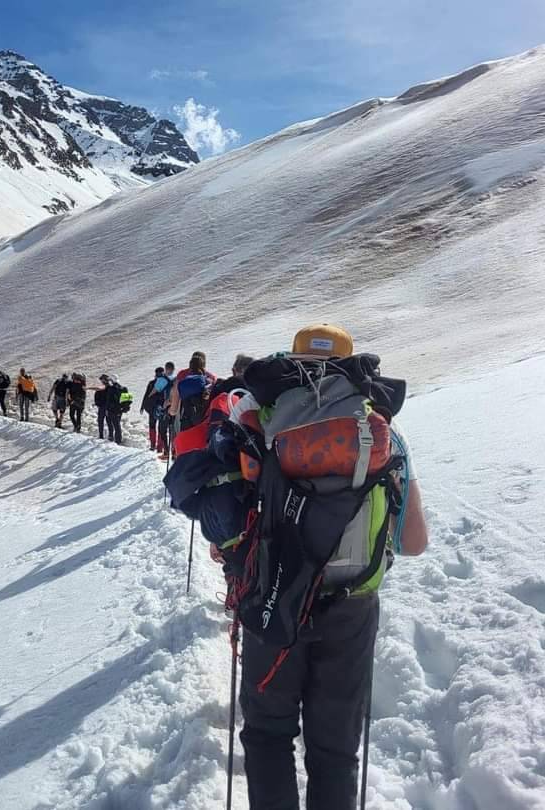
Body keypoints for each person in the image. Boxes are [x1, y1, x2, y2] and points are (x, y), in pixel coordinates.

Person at [233, 325, 429, 810]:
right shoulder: (385, 432)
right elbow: (414, 543)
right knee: (335, 751)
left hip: (274, 600)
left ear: (293, 361)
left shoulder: (258, 419)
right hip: (352, 606)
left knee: (267, 734)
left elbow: (231, 521)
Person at [141, 368, 165, 451]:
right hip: (161, 408)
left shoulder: (152, 383)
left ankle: (153, 445)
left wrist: (143, 406)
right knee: (160, 427)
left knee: (152, 426)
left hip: (152, 408)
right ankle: (159, 447)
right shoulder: (165, 383)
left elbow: (146, 395)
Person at [157, 361, 176, 459]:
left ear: (166, 369)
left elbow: (156, 393)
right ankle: (174, 452)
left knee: (162, 430)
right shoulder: (176, 380)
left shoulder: (162, 380)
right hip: (174, 408)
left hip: (165, 409)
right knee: (173, 431)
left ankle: (166, 452)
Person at [102, 374, 126, 444]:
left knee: (112, 424)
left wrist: (107, 409)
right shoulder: (123, 388)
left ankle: (114, 439)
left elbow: (108, 401)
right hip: (120, 410)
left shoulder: (111, 389)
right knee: (117, 425)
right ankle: (118, 439)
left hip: (112, 410)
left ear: (112, 380)